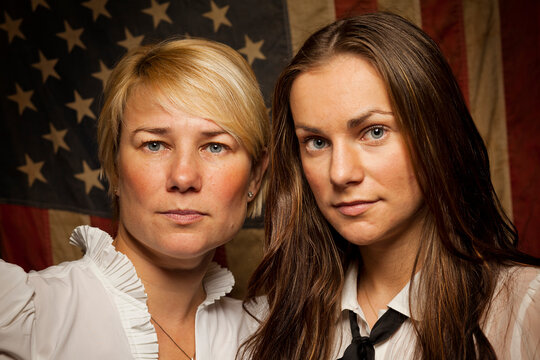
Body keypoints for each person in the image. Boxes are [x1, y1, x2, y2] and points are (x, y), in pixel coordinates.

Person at [240, 12, 540, 360]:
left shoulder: (526, 309)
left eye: (374, 132)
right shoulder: (267, 325)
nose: (340, 173)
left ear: (435, 135)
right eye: (317, 142)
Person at [0, 38, 269, 360]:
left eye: (215, 146)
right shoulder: (21, 315)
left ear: (254, 176)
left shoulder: (274, 339)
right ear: (114, 166)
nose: (183, 177)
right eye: (154, 145)